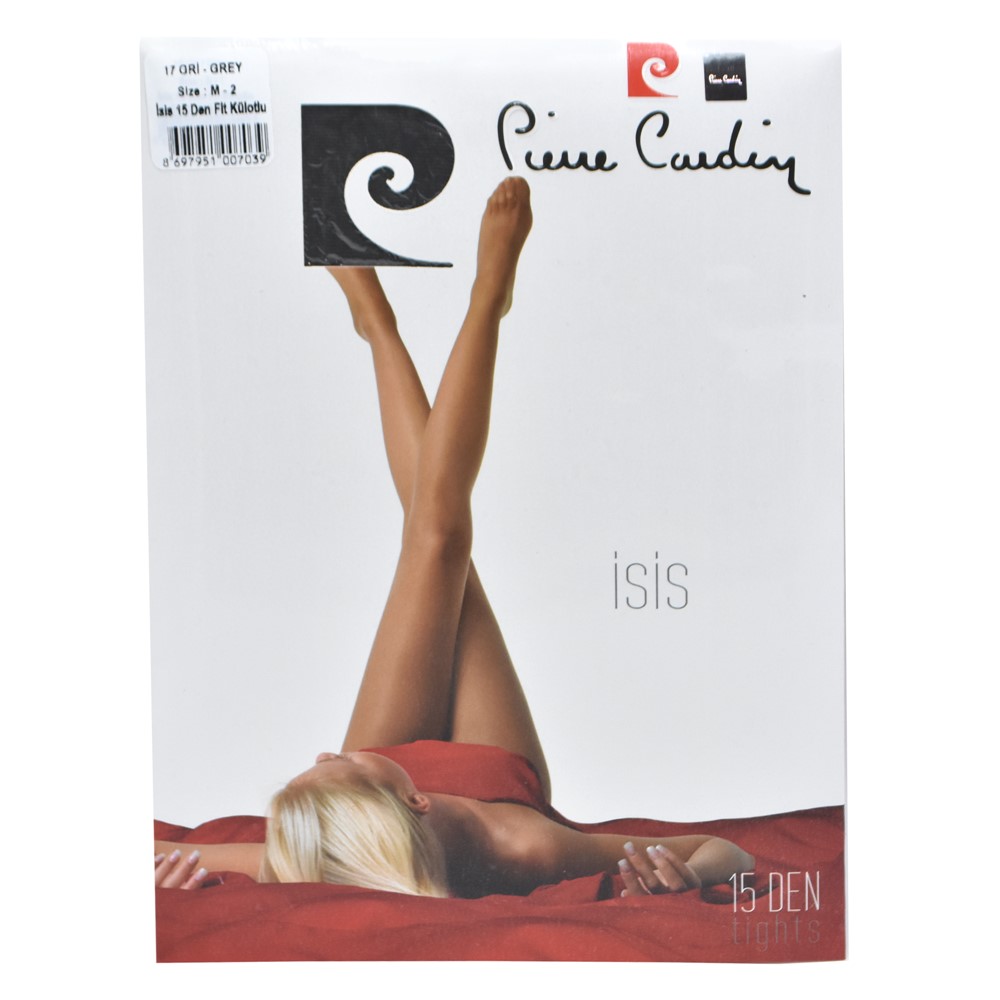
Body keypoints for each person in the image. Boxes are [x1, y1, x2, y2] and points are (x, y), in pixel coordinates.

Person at [154, 177, 754, 899]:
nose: (326, 751)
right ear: (417, 799)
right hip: (494, 776)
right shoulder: (526, 846)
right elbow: (727, 852)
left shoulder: (322, 851)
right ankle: (482, 302)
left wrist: (169, 879)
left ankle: (380, 325)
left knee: (436, 536)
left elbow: (153, 856)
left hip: (378, 799)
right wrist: (687, 877)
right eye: (341, 762)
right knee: (439, 536)